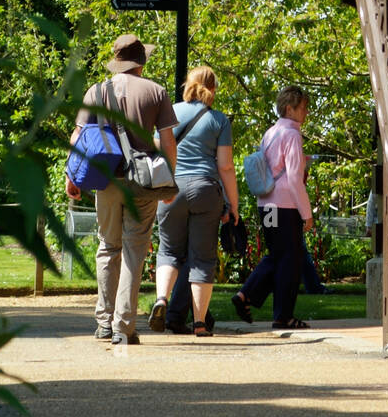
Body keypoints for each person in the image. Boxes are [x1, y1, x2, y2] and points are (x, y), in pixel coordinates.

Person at [66, 33, 177, 347]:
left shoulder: (97, 90)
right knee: (134, 248)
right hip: (143, 181)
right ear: (141, 62)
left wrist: (71, 177)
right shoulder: (156, 91)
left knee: (108, 246)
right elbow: (168, 142)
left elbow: (78, 138)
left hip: (105, 179)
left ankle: (104, 321)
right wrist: (169, 181)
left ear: (117, 61)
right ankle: (123, 326)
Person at [149, 65, 239, 337]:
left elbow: (157, 151)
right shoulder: (219, 120)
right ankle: (200, 323)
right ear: (213, 89)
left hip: (171, 190)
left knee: (169, 250)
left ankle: (162, 300)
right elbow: (225, 167)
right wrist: (233, 204)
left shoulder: (171, 113)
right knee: (203, 258)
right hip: (205, 190)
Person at [232, 86, 312, 331]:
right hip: (286, 205)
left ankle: (246, 295)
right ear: (291, 108)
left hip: (265, 205)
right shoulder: (293, 135)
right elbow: (295, 178)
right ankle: (283, 315)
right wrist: (307, 214)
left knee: (276, 255)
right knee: (291, 259)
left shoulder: (270, 133)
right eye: (303, 108)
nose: (306, 113)